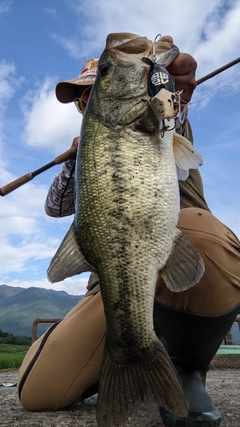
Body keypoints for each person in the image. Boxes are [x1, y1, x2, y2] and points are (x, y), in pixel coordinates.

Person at [18, 37, 240, 427]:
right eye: (82, 101)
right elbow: (55, 208)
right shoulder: (88, 158)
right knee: (38, 392)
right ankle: (119, 367)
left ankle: (185, 369)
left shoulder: (163, 118)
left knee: (200, 233)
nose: (87, 102)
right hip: (118, 289)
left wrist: (174, 87)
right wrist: (79, 158)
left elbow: (173, 114)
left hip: (177, 276)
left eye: (95, 87)